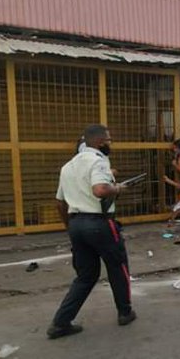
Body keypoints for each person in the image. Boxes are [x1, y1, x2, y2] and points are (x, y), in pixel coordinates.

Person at [47, 124, 137, 339]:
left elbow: (59, 203)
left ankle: (61, 322)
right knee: (117, 266)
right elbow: (100, 190)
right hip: (100, 223)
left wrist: (70, 227)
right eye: (109, 139)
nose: (110, 143)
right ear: (99, 142)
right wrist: (118, 188)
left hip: (76, 223)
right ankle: (125, 312)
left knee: (85, 276)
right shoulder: (99, 160)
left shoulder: (68, 166)